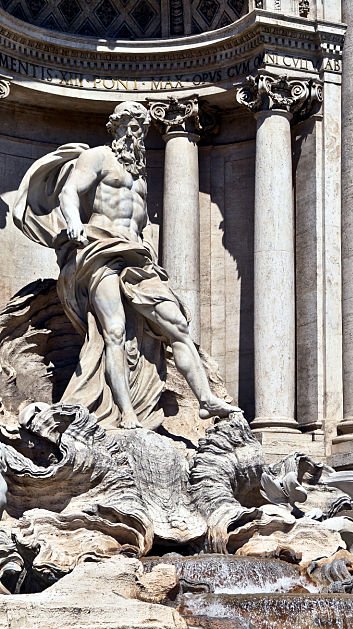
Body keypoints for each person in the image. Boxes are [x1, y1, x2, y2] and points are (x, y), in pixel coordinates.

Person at [13, 100, 238, 430]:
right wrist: (73, 222)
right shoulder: (98, 156)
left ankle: (205, 399)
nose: (137, 133)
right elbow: (70, 193)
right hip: (99, 247)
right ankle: (125, 412)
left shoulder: (140, 176)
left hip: (136, 255)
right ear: (116, 128)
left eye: (142, 128)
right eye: (131, 126)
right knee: (114, 331)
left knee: (176, 324)